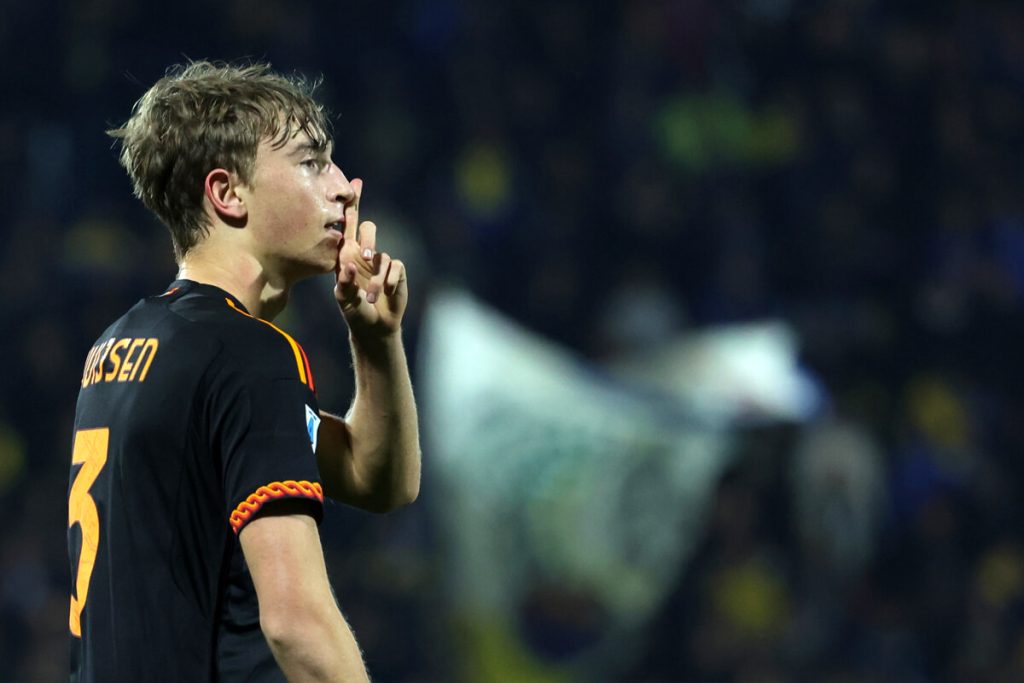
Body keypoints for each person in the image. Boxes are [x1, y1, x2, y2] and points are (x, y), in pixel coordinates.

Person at [67, 61, 421, 682]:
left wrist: (375, 340)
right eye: (312, 162)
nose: (345, 187)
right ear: (227, 194)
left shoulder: (119, 345)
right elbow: (298, 627)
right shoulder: (249, 355)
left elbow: (377, 480)